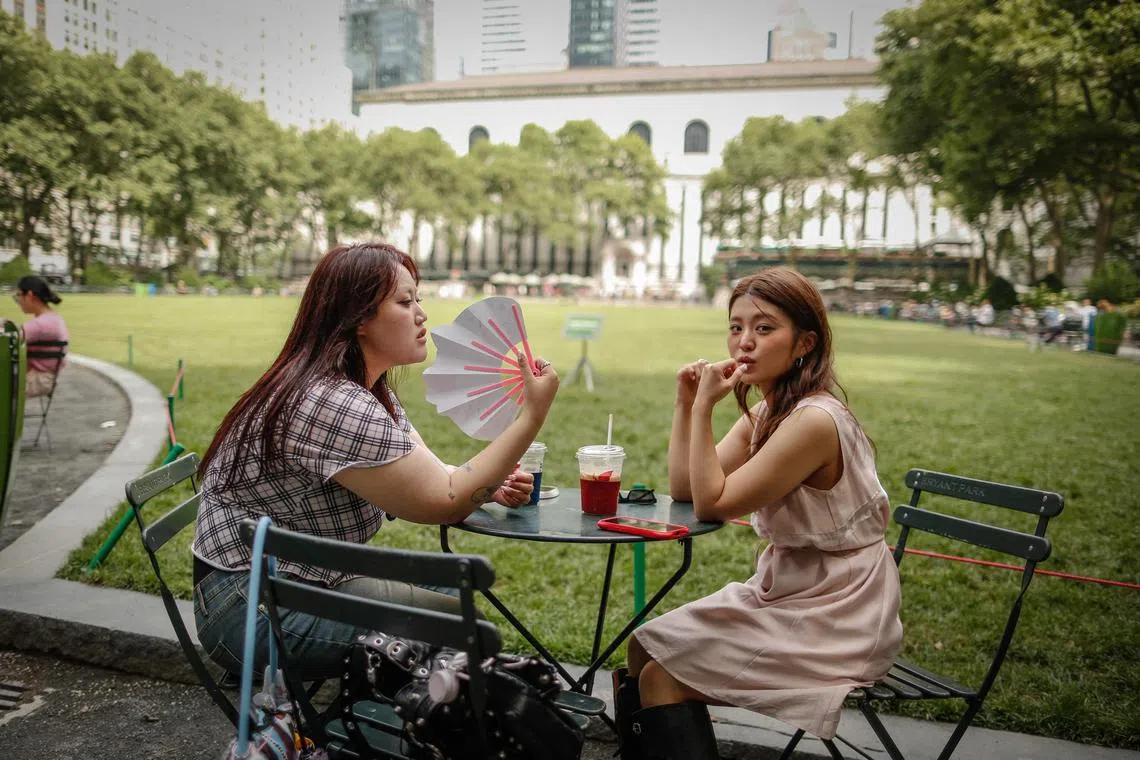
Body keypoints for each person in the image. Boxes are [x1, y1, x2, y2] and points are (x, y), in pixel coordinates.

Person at [191, 242, 559, 681]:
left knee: (445, 593)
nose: (422, 314)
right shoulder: (334, 402)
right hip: (248, 609)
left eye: (418, 298)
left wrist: (489, 485)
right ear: (359, 319)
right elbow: (444, 500)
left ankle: (384, 721)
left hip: (286, 582)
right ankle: (402, 733)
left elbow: (433, 474)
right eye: (405, 302)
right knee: (461, 625)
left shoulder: (362, 388)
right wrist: (532, 414)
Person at [611, 268, 903, 760]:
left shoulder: (813, 421)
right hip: (788, 589)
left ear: (804, 343)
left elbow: (712, 504)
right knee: (644, 646)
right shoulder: (771, 413)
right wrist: (686, 405)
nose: (744, 342)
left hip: (839, 609)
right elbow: (685, 487)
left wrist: (705, 409)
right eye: (735, 327)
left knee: (664, 676)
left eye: (764, 329)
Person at [12, 275, 68, 397]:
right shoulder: (53, 318)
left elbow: (11, 340)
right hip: (45, 378)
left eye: (19, 296)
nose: (18, 301)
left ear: (30, 295)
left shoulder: (40, 324)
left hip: (36, 380)